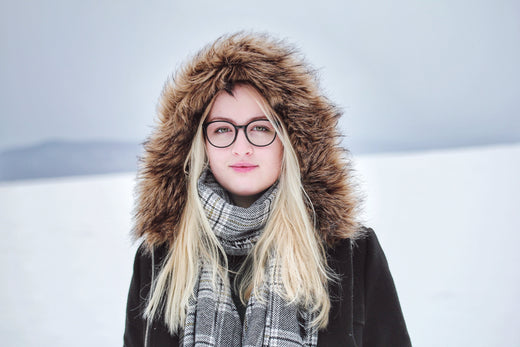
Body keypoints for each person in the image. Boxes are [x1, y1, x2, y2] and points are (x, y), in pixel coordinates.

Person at [124, 32, 411, 347]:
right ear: (200, 145)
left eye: (261, 128)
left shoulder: (350, 253)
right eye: (222, 129)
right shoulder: (159, 259)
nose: (242, 147)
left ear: (290, 143)